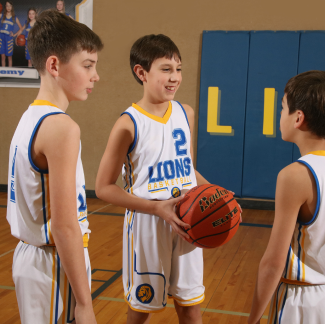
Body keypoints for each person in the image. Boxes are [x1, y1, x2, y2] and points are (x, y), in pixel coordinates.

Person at [96, 34, 210, 324]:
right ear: (141, 72)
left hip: (186, 221)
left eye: (179, 69)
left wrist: (212, 190)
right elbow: (103, 188)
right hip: (148, 223)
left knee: (190, 306)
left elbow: (187, 169)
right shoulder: (128, 124)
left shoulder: (186, 114)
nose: (175, 77)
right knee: (141, 309)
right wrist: (156, 208)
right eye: (166, 69)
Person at [6, 9, 103, 324]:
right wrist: (85, 304)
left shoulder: (30, 116)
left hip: (33, 257)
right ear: (54, 65)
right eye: (87, 65)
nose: (95, 76)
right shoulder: (62, 127)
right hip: (52, 260)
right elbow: (63, 225)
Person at [248, 70, 325, 324]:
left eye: (282, 108)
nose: (280, 115)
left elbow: (273, 263)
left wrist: (253, 319)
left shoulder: (295, 175)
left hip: (302, 302)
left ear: (298, 118)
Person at [0, 1, 22, 66]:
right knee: (3, 57)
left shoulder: (14, 17)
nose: (8, 7)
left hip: (9, 38)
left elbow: (21, 28)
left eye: (10, 6)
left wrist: (14, 35)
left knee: (9, 57)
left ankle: (10, 73)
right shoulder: (1, 15)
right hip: (1, 37)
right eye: (7, 6)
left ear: (12, 7)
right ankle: (3, 73)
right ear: (5, 7)